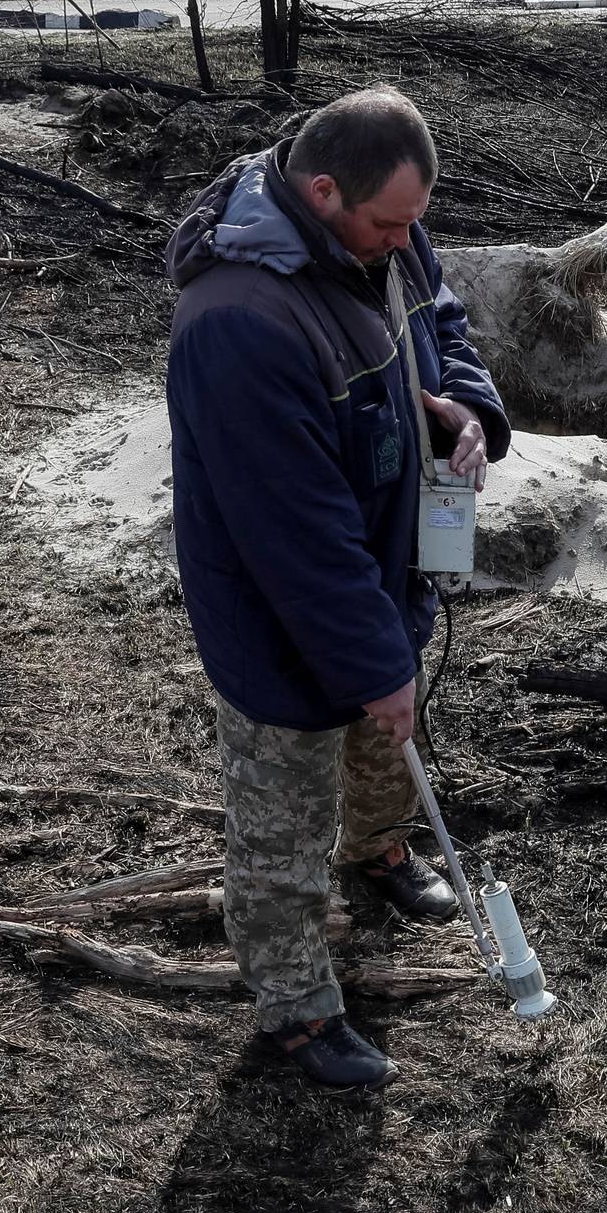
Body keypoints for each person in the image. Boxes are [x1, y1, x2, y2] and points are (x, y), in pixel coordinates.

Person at [164, 86, 511, 1090]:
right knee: (282, 810)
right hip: (283, 616)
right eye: (391, 224)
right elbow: (296, 539)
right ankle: (296, 1006)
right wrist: (373, 662)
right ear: (323, 192)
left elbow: (439, 317)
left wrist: (468, 413)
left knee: (384, 736)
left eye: (417, 221)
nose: (409, 241)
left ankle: (379, 851)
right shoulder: (239, 321)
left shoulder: (382, 233)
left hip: (382, 565)